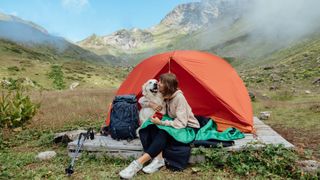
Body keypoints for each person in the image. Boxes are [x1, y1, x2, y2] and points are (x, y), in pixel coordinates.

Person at [119, 73, 200, 179]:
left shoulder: (179, 98)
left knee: (163, 132)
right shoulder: (165, 96)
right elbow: (142, 99)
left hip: (187, 128)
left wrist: (161, 123)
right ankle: (159, 159)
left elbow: (181, 123)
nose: (158, 84)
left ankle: (137, 164)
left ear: (167, 85)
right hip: (174, 124)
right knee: (152, 127)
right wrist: (151, 105)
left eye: (161, 82)